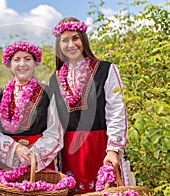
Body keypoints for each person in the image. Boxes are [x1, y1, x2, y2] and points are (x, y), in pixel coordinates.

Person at [49, 17, 134, 194]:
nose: (71, 44)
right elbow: (53, 122)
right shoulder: (55, 78)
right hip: (70, 152)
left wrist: (113, 149)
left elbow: (116, 110)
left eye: (75, 38)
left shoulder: (106, 69)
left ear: (83, 40)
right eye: (65, 40)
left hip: (100, 146)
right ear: (59, 45)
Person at [0, 41, 64, 172]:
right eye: (16, 60)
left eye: (27, 59)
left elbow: (55, 132)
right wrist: (16, 148)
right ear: (9, 64)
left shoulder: (48, 93)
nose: (22, 64)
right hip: (9, 161)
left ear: (35, 63)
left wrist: (34, 154)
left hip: (39, 162)